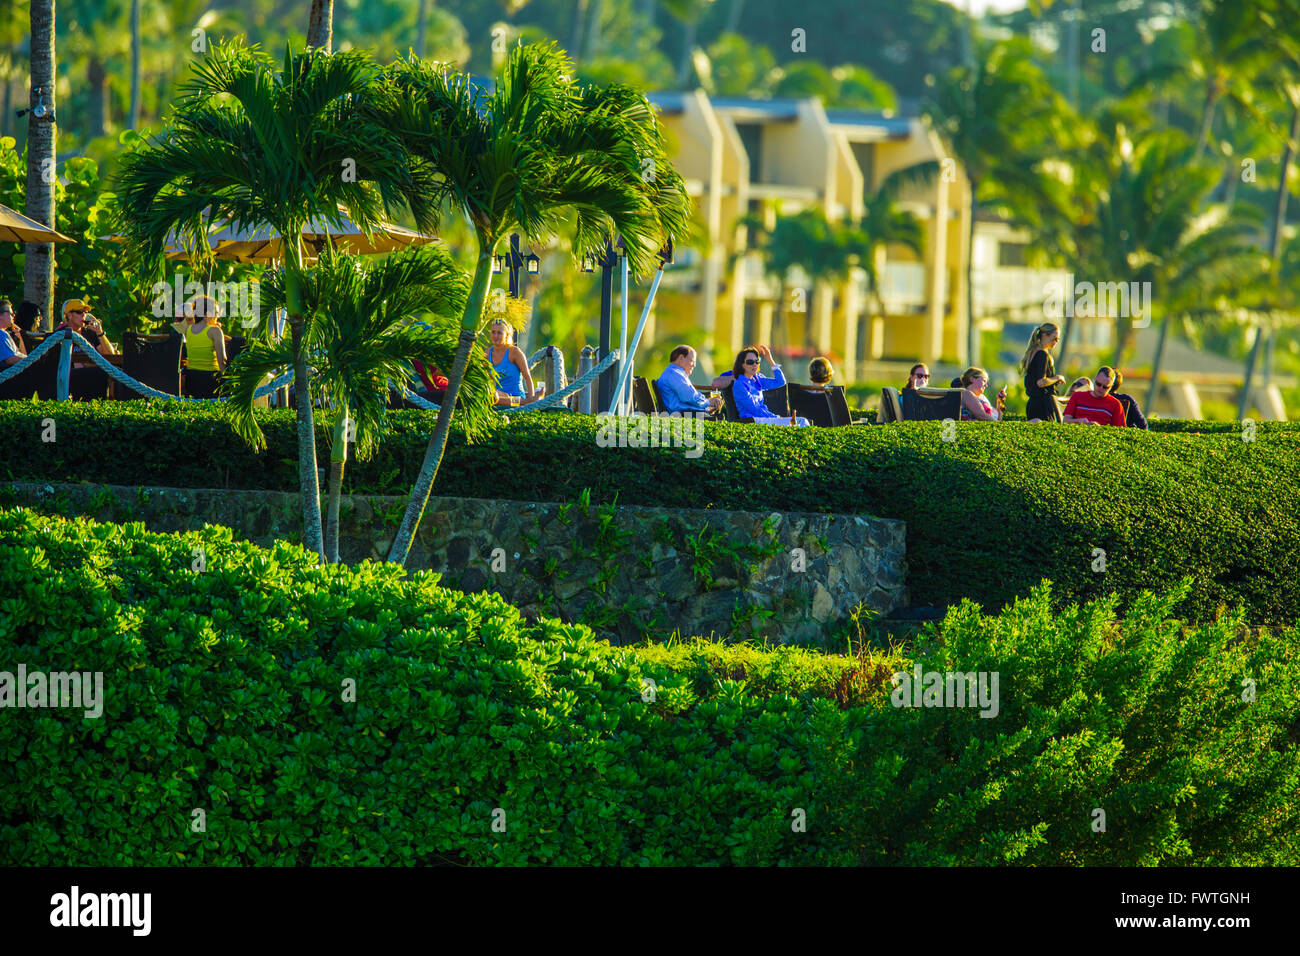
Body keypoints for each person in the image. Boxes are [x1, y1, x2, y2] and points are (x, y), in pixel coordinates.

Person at [727, 344, 809, 426]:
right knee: (801, 422)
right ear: (742, 364)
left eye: (757, 361)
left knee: (801, 421)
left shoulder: (757, 379)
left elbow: (780, 382)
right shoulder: (739, 384)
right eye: (750, 362)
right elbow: (754, 409)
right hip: (753, 421)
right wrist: (775, 418)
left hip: (764, 419)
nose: (754, 364)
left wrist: (770, 361)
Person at [55, 299, 114, 400]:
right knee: (99, 373)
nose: (84, 315)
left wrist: (100, 333)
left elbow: (110, 354)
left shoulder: (90, 332)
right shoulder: (60, 334)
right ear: (69, 315)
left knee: (116, 372)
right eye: (79, 312)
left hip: (92, 373)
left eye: (85, 312)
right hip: (70, 377)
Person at [182, 294, 227, 398]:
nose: (218, 316)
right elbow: (222, 361)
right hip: (210, 381)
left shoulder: (188, 330)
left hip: (192, 380)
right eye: (216, 313)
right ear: (206, 314)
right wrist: (227, 382)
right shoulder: (215, 331)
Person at [486, 319, 539, 407]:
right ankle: (521, 401)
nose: (495, 336)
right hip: (498, 398)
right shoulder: (487, 354)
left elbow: (527, 376)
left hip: (517, 399)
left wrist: (531, 399)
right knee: (490, 394)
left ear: (506, 335)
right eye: (493, 332)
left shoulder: (514, 352)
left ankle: (524, 402)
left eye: (499, 333)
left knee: (494, 397)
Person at [657, 345, 723, 415]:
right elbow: (689, 397)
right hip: (683, 415)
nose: (694, 365)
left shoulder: (674, 372)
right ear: (681, 358)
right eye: (692, 361)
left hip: (685, 413)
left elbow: (689, 396)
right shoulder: (674, 374)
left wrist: (707, 404)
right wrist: (708, 402)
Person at [1020, 322, 1066, 423]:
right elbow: (1041, 382)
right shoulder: (1042, 355)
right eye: (1054, 338)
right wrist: (1058, 378)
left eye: (1058, 339)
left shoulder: (1033, 352)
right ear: (1044, 335)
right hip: (1042, 405)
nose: (1056, 341)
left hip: (1033, 404)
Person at [1062, 366, 1127, 426]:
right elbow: (1065, 421)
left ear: (1111, 387)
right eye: (1098, 384)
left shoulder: (1115, 404)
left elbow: (1120, 431)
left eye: (1105, 387)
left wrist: (1100, 429)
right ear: (1094, 380)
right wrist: (1079, 421)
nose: (1100, 388)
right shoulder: (1077, 396)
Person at [0, 299, 26, 368]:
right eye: (10, 313)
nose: (14, 315)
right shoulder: (1, 334)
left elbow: (22, 355)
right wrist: (34, 360)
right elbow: (10, 359)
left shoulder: (4, 334)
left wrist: (20, 338)